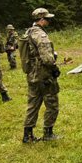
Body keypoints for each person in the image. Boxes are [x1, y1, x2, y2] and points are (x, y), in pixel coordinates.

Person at [23, 8, 61, 143]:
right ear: (41, 20)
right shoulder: (40, 34)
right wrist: (54, 68)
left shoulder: (28, 32)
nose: (49, 21)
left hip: (32, 73)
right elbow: (47, 58)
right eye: (47, 19)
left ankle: (27, 135)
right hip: (44, 74)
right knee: (52, 104)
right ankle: (48, 133)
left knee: (33, 104)